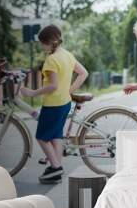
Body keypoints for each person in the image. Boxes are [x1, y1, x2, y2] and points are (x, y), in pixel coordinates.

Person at [20, 25, 88, 184]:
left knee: (42, 137)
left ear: (49, 42)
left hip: (53, 105)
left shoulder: (51, 60)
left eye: (42, 43)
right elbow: (84, 73)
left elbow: (53, 86)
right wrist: (69, 90)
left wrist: (32, 93)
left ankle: (56, 168)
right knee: (56, 136)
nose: (41, 46)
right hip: (64, 103)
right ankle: (56, 169)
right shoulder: (67, 55)